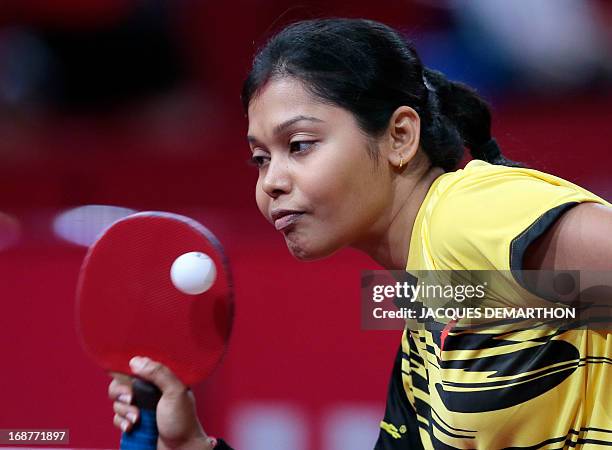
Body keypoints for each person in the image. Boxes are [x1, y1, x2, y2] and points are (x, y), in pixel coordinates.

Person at [108, 18, 612, 449]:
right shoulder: (430, 305)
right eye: (260, 159)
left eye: (300, 145)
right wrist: (195, 445)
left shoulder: (468, 215)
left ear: (399, 137)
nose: (271, 182)